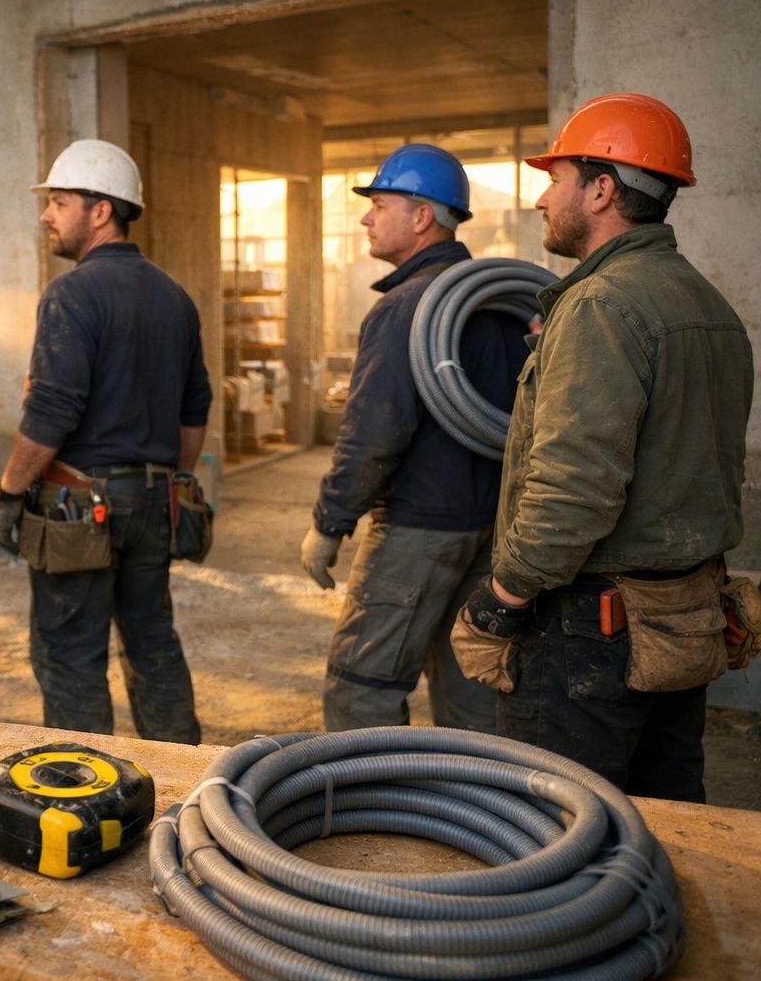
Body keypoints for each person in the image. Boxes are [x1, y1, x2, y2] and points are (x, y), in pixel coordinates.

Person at [453, 93, 752, 801]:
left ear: (602, 188)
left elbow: (573, 494)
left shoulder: (600, 305)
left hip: (590, 632)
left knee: (554, 837)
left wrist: (501, 598)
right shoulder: (709, 307)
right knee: (666, 824)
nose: (540, 199)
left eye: (555, 179)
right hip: (679, 620)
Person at [0, 139, 211, 744]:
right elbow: (195, 412)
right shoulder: (176, 298)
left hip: (79, 507)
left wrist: (10, 493)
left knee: (70, 653)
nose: (46, 216)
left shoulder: (72, 295)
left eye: (59, 202)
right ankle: (183, 786)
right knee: (153, 642)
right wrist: (164, 481)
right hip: (155, 500)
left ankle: (86, 788)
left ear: (101, 210)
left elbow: (52, 410)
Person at [301, 143, 527, 732]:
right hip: (492, 529)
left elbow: (374, 433)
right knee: (469, 689)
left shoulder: (403, 308)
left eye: (378, 203)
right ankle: (475, 816)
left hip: (420, 529)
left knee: (362, 687)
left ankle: (378, 818)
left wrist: (329, 524)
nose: (365, 218)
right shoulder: (505, 305)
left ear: (421, 215)